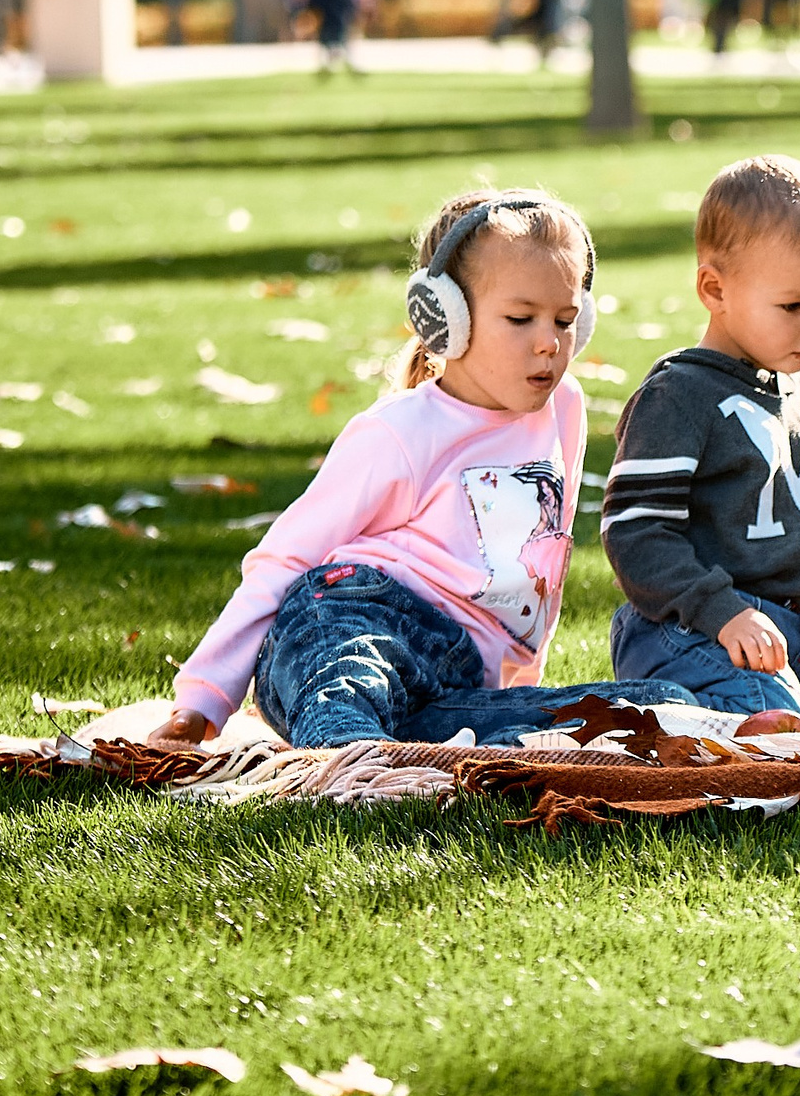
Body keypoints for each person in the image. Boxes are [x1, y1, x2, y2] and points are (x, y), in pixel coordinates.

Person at [149, 190, 696, 748]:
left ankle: (409, 756)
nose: (549, 343)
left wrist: (525, 684)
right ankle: (352, 763)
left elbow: (544, 565)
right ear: (447, 320)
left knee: (656, 710)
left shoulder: (564, 408)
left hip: (451, 681)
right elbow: (285, 556)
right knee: (350, 680)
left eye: (564, 319)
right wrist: (205, 696)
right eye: (520, 318)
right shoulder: (400, 431)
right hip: (349, 615)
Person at [602, 156, 800, 728]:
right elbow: (637, 533)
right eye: (793, 305)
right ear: (714, 289)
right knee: (779, 733)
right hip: (689, 631)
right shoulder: (678, 396)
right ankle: (687, 720)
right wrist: (721, 613)